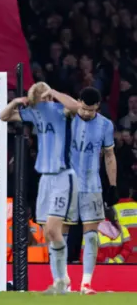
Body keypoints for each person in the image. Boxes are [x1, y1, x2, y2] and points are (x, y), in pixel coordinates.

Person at [0, 82, 80, 294]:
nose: (42, 102)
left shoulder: (61, 110)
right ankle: (60, 284)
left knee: (54, 230)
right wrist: (16, 101)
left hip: (63, 176)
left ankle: (64, 279)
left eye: (43, 98)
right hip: (45, 179)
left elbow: (75, 107)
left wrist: (53, 91)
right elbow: (4, 116)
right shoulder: (34, 114)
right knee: (50, 234)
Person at [70, 87, 117, 294]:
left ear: (97, 106)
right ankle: (62, 281)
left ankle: (86, 283)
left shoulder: (105, 125)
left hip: (92, 187)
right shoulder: (67, 119)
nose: (87, 113)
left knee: (90, 236)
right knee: (60, 236)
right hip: (67, 186)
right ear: (78, 102)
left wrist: (113, 184)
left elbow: (109, 155)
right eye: (84, 108)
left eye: (91, 110)